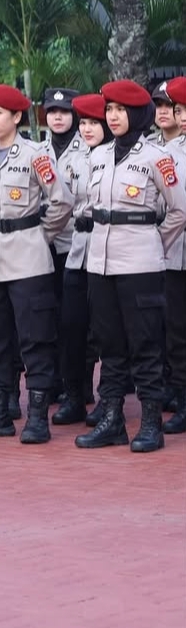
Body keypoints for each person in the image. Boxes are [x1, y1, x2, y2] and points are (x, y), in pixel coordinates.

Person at [0, 84, 74, 443]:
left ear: (16, 116)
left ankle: (37, 417)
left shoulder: (36, 155)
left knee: (35, 338)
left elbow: (61, 203)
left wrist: (39, 236)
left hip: (27, 257)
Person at [75, 81, 186, 451]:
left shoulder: (157, 157)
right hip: (100, 263)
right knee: (109, 344)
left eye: (121, 110)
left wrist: (154, 244)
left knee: (145, 344)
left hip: (140, 263)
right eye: (109, 109)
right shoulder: (98, 155)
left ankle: (151, 423)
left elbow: (178, 211)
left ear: (138, 114)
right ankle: (112, 419)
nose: (113, 116)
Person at [52, 93, 112, 426]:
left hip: (109, 248)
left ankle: (108, 400)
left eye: (94, 123)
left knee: (106, 330)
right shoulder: (75, 160)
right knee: (71, 325)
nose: (87, 129)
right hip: (78, 249)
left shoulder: (118, 156)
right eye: (84, 122)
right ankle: (74, 396)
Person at [41, 88, 82, 399]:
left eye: (64, 111)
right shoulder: (37, 150)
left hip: (75, 244)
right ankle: (54, 380)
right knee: (47, 314)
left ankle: (77, 386)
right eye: (52, 111)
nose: (57, 117)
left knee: (74, 320)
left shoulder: (88, 150)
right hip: (43, 244)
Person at [163, 76, 186, 433]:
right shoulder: (166, 153)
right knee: (177, 333)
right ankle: (183, 401)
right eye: (179, 110)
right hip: (176, 252)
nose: (182, 117)